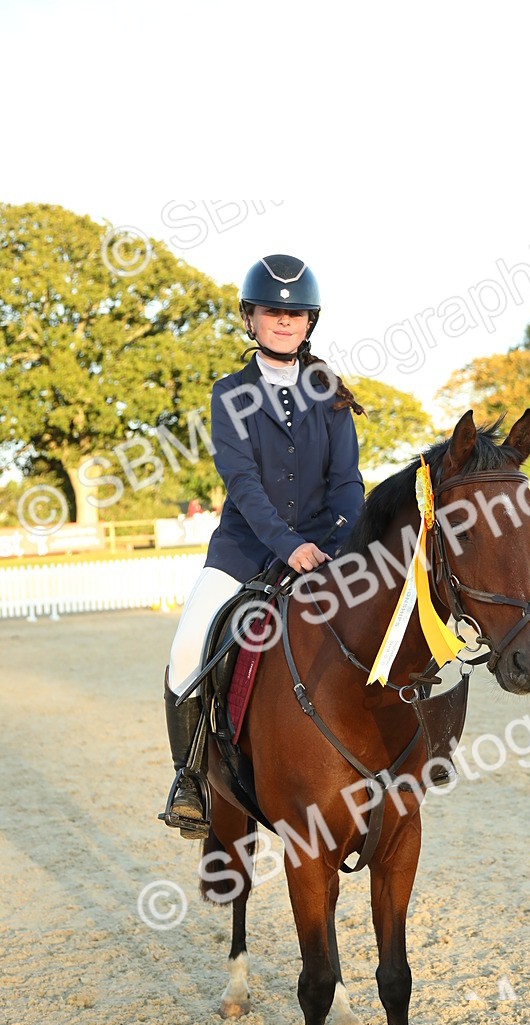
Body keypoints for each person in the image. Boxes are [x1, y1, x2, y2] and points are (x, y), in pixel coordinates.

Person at [161, 254, 365, 838]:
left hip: (327, 548)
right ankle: (191, 781)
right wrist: (288, 545)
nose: (284, 321)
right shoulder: (230, 395)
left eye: (295, 312)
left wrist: (343, 542)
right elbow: (243, 485)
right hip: (245, 551)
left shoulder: (329, 392)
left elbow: (347, 480)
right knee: (184, 653)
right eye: (272, 311)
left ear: (310, 322)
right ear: (250, 319)